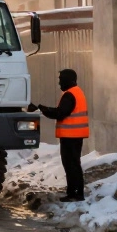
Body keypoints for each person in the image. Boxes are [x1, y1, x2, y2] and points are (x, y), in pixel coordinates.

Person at [27, 69, 89, 202]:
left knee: (71, 165)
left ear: (68, 80)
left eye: (61, 79)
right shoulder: (76, 92)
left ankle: (76, 194)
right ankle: (74, 192)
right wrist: (41, 109)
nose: (59, 82)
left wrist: (40, 109)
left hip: (71, 136)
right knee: (73, 164)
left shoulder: (70, 95)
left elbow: (60, 113)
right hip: (75, 135)